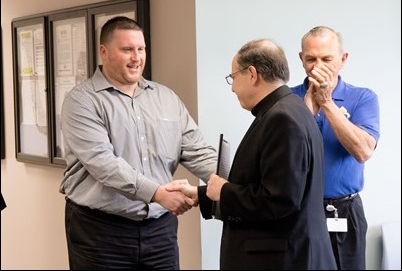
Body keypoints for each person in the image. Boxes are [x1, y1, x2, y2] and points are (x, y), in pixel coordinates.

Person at [59, 16, 217, 270]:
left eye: (141, 49)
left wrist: (235, 180)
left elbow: (197, 151)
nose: (136, 58)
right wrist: (157, 193)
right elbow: (103, 163)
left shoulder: (166, 98)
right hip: (101, 233)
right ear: (104, 52)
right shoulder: (81, 101)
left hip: (159, 231)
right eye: (127, 50)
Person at [169, 38, 337, 270]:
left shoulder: (282, 119)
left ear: (252, 73)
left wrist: (224, 191)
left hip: (282, 260)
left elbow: (279, 201)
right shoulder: (288, 109)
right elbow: (266, 185)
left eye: (233, 77)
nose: (232, 87)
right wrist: (202, 194)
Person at [291, 26, 380, 270]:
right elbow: (286, 155)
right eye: (311, 59)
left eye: (327, 59)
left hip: (344, 211)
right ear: (301, 60)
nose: (318, 65)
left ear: (343, 60)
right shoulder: (287, 100)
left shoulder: (363, 98)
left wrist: (327, 103)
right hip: (298, 211)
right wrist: (309, 106)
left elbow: (363, 151)